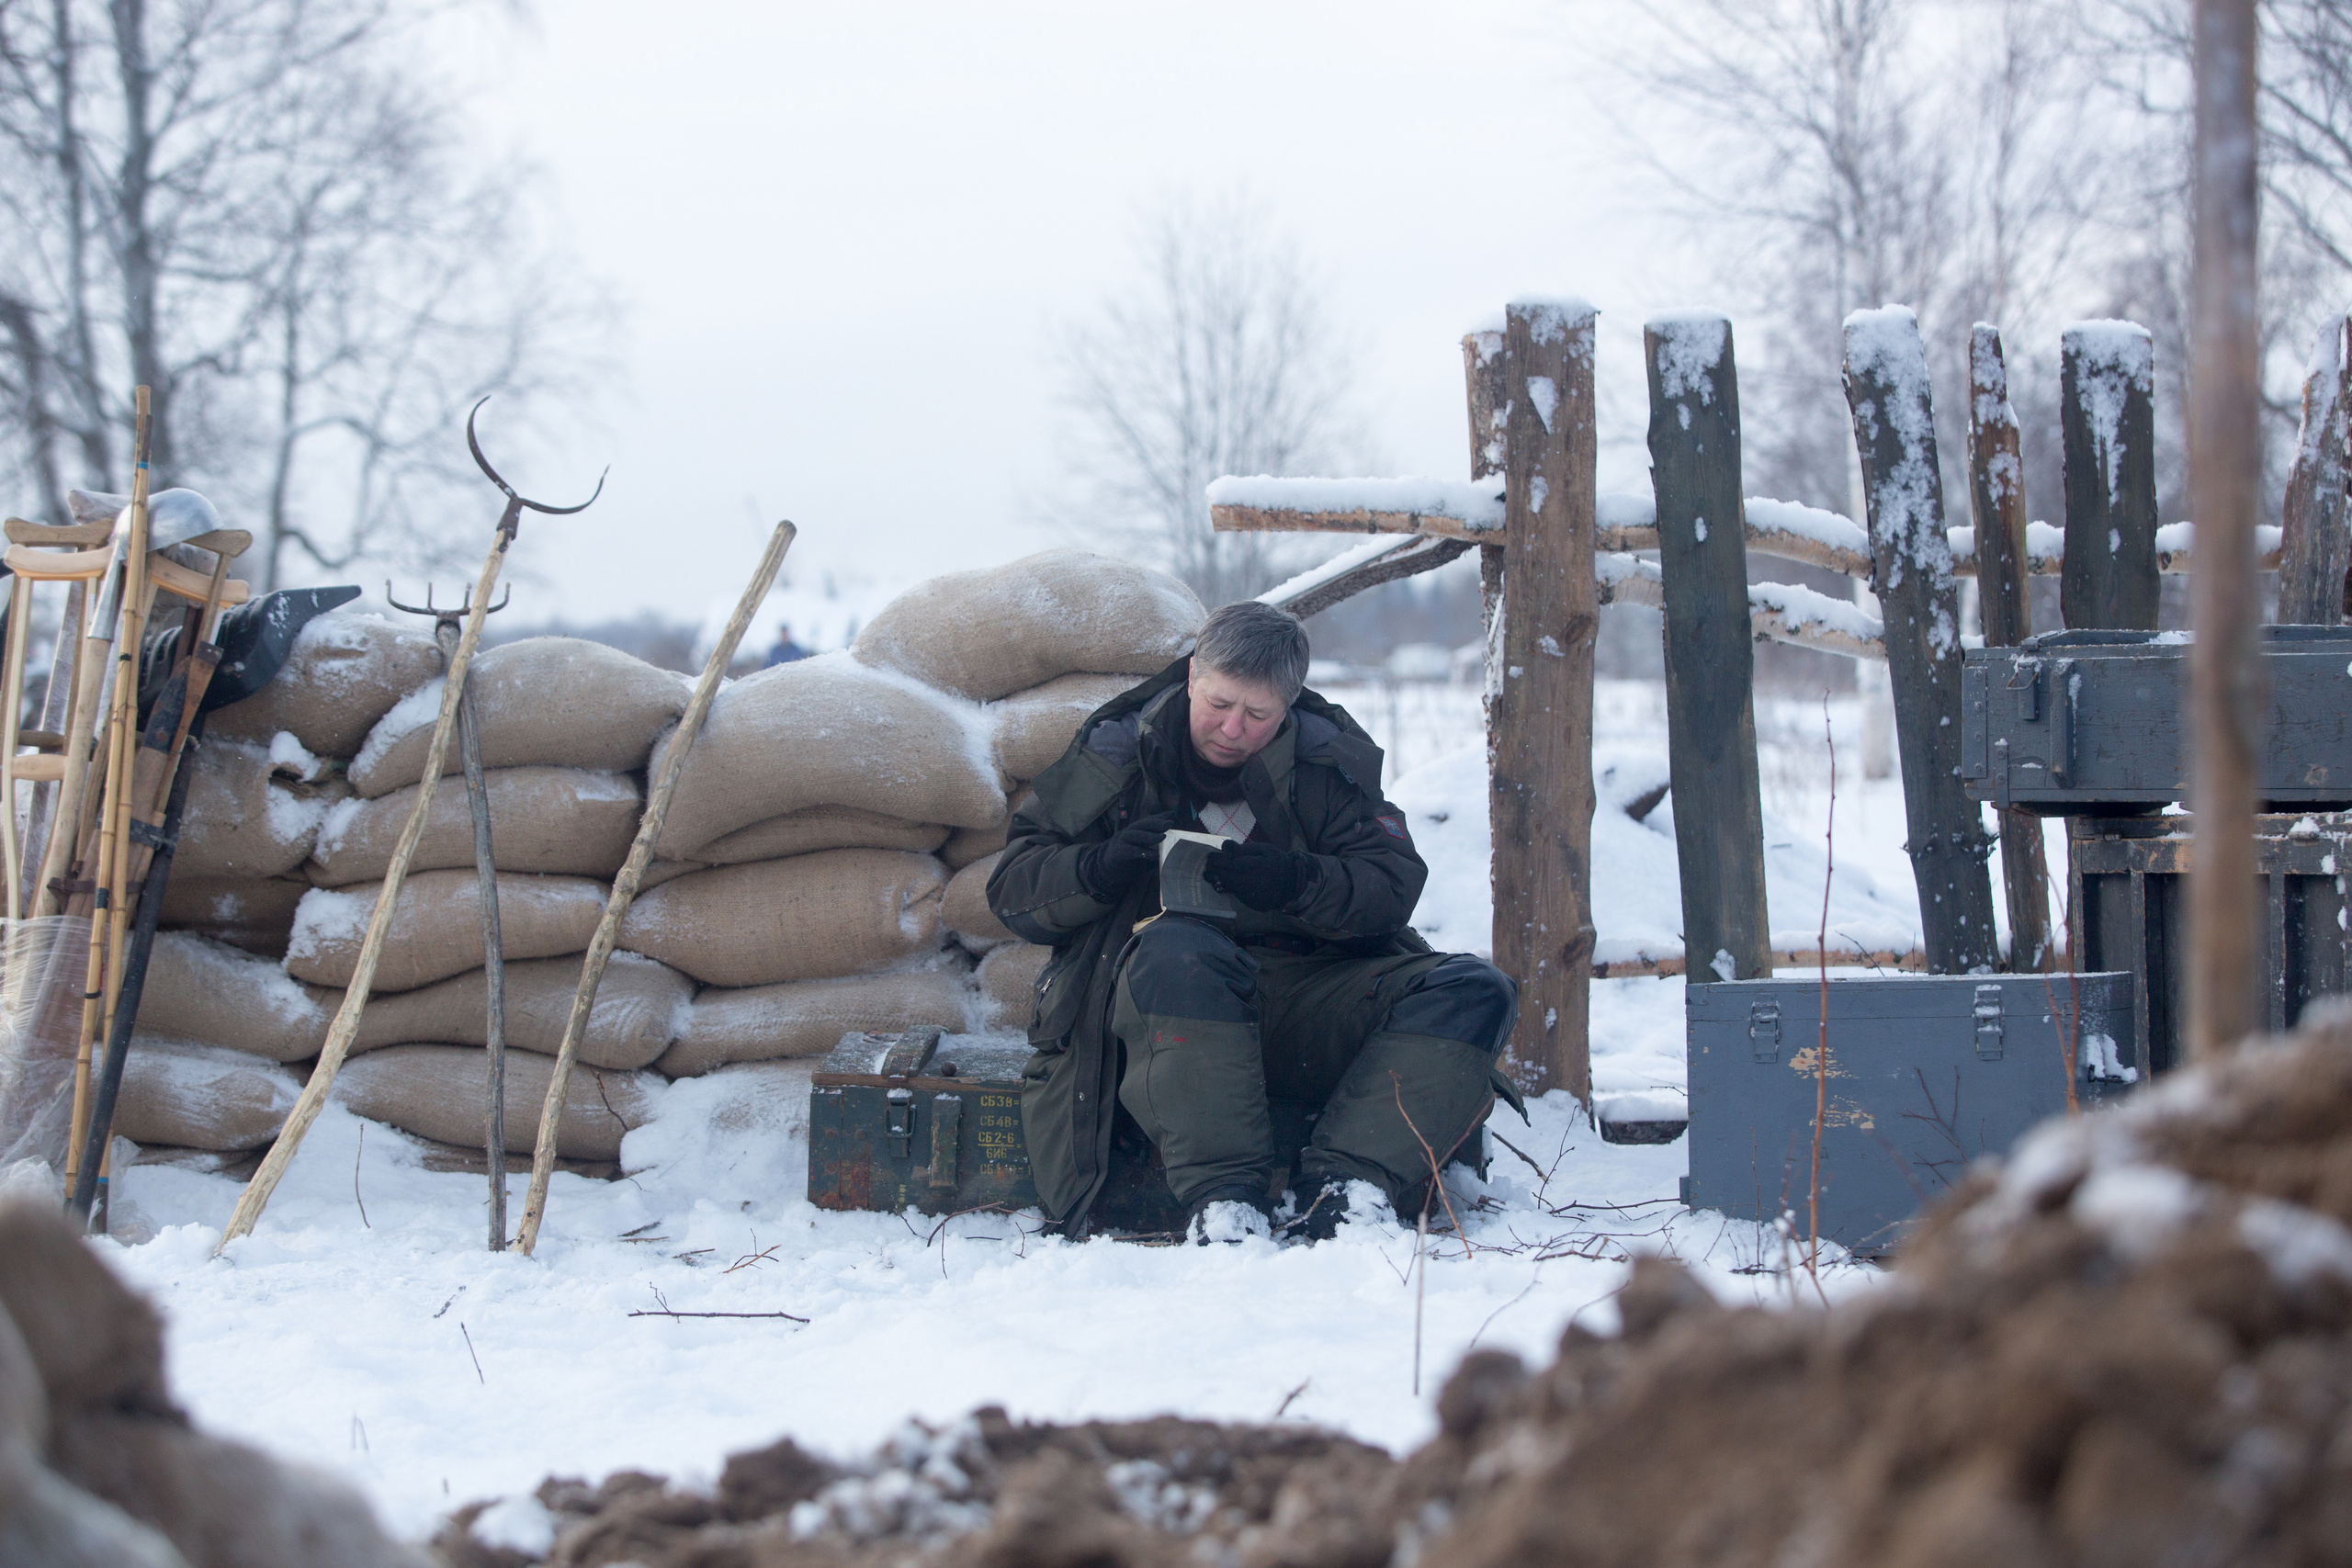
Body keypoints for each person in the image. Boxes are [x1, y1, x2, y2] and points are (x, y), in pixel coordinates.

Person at [988, 600, 1521, 1244]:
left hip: (1307, 994)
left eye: (1258, 714)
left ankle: (1345, 1190)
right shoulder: (1118, 753)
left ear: (1288, 706)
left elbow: (1393, 884)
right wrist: (1101, 867)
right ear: (1191, 677)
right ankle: (1225, 1202)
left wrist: (1300, 879)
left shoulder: (1326, 763)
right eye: (1218, 703)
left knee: (1478, 990)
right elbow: (1012, 886)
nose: (1232, 729)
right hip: (1167, 1008)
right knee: (1177, 949)